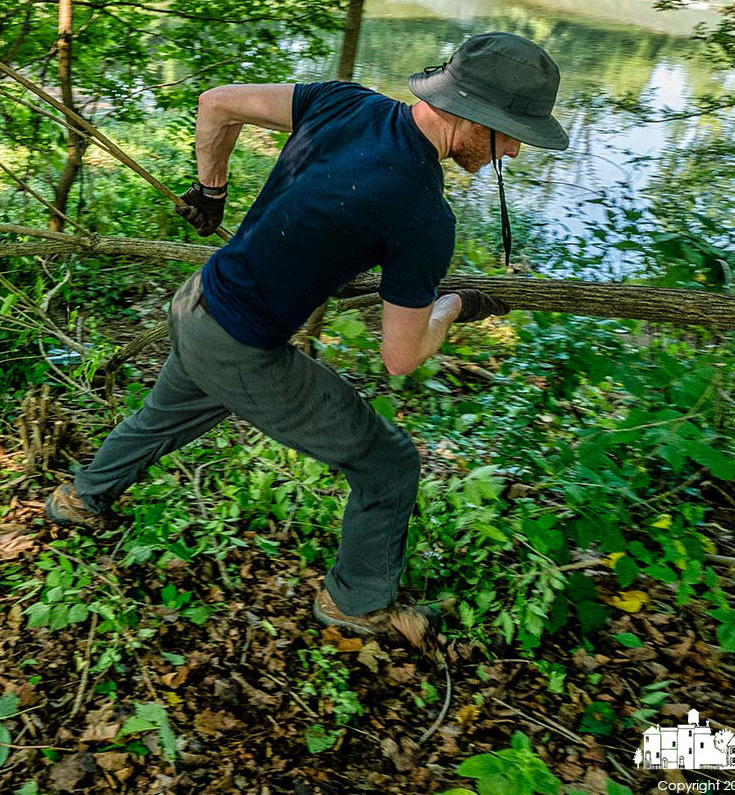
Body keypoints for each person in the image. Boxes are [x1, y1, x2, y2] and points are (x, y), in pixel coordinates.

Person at [43, 32, 569, 648]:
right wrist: (455, 305)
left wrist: (210, 191)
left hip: (196, 302)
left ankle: (81, 498)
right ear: (473, 113)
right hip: (241, 344)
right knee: (389, 463)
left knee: (164, 414)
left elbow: (216, 104)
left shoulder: (344, 103)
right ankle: (357, 603)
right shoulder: (423, 216)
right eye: (511, 133)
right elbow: (402, 358)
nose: (511, 151)